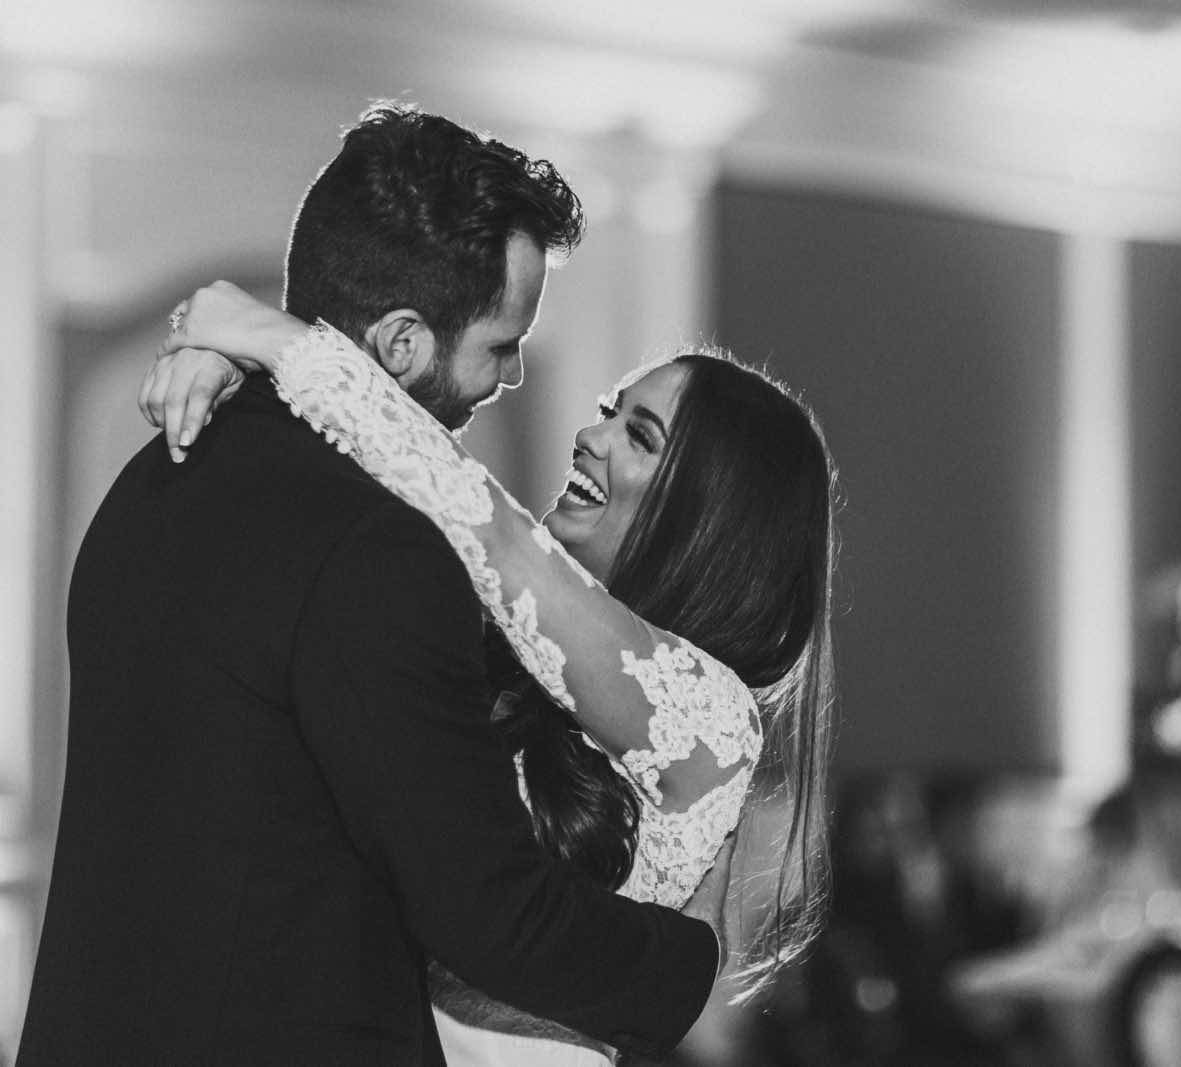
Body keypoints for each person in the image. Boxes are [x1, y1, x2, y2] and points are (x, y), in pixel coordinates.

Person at [20, 103, 726, 1066]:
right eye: (500, 343)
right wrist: (684, 964)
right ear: (401, 344)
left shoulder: (153, 480)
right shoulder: (377, 552)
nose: (514, 377)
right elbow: (487, 910)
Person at [138, 281, 838, 1065]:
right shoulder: (496, 647)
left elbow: (486, 526)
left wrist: (274, 338)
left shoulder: (712, 717)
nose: (588, 434)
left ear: (709, 519)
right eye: (607, 410)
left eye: (637, 436)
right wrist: (234, 373)